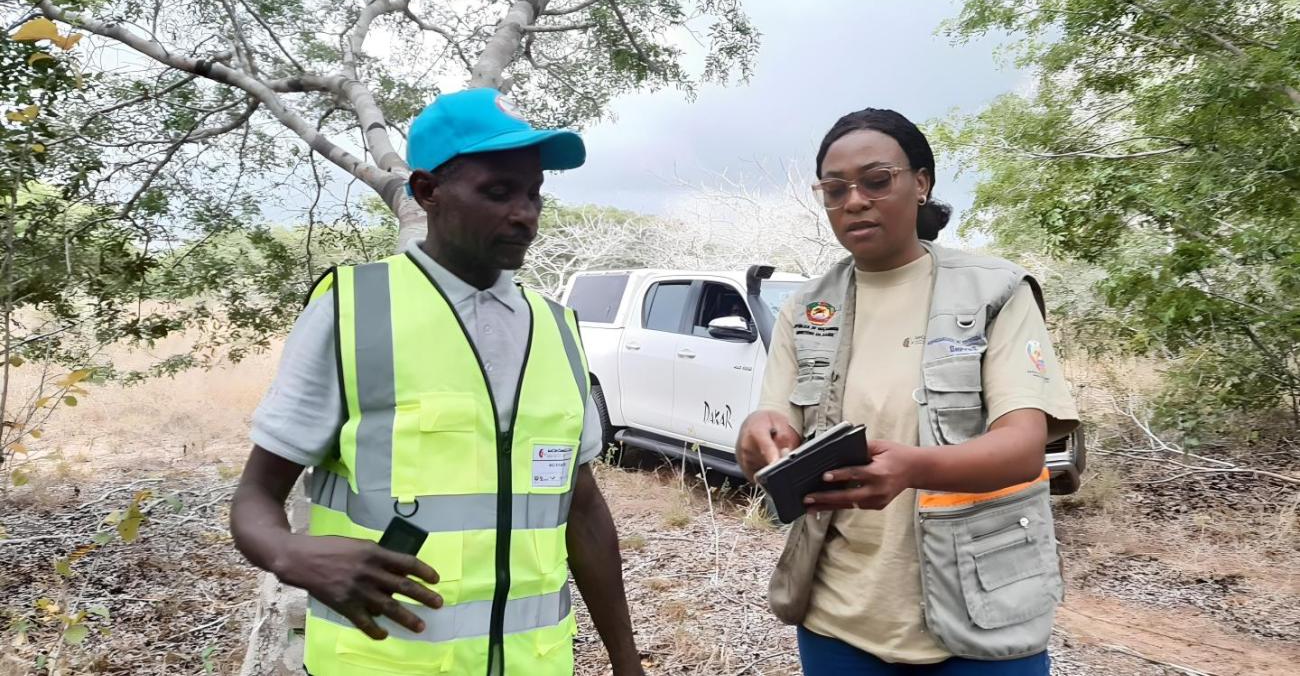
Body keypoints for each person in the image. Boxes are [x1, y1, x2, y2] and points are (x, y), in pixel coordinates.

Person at [230, 88, 644, 676]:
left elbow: (581, 508)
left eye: (533, 194)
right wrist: (287, 552)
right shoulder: (354, 309)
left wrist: (625, 660)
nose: (524, 213)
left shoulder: (559, 329)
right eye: (497, 192)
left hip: (537, 665)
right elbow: (256, 497)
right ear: (428, 193)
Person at [736, 108, 1079, 675]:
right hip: (839, 621)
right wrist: (759, 438)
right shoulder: (807, 309)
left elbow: (1022, 450)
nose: (854, 200)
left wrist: (912, 468)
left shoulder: (995, 292)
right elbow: (779, 432)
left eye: (876, 180)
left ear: (921, 183)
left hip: (981, 619)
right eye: (835, 188)